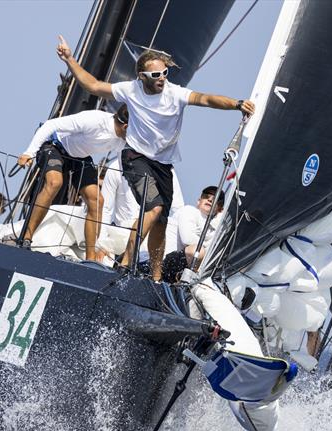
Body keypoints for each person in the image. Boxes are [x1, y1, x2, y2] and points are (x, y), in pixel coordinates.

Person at [56, 35, 254, 280]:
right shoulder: (130, 90)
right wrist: (70, 60)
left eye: (164, 74)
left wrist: (236, 104)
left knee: (161, 220)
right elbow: (94, 86)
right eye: (155, 75)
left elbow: (205, 99)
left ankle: (156, 277)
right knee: (155, 206)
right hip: (135, 157)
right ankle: (125, 262)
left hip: (162, 166)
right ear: (142, 77)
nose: (161, 79)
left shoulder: (175, 94)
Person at [16, 105, 129, 260]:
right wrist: (29, 152)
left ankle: (90, 259)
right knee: (55, 183)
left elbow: (124, 168)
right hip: (56, 146)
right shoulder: (94, 120)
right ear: (126, 126)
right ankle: (25, 239)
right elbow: (50, 124)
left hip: (80, 157)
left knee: (96, 200)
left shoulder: (123, 141)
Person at [161, 186, 223, 282]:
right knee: (197, 251)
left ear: (220, 209)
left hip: (184, 268)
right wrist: (207, 249)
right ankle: (187, 286)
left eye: (216, 199)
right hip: (163, 263)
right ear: (199, 201)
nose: (210, 200)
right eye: (206, 196)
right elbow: (187, 239)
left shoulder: (215, 227)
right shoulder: (189, 211)